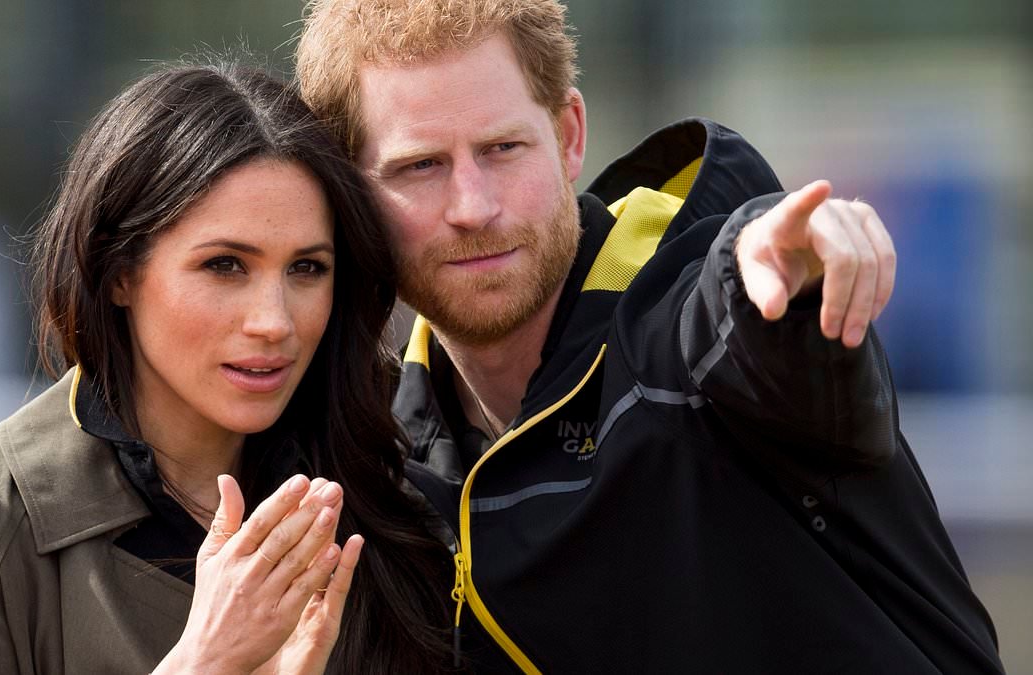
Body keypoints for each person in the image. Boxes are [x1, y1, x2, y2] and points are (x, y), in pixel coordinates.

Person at [295, 1, 1005, 672]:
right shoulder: (377, 459)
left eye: (503, 147)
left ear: (569, 135)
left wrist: (781, 282)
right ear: (351, 192)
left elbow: (740, 321)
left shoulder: (690, 318)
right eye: (421, 166)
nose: (473, 206)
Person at [0, 61, 454, 674]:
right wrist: (203, 662)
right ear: (121, 272)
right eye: (225, 265)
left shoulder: (392, 502)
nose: (274, 321)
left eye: (306, 268)